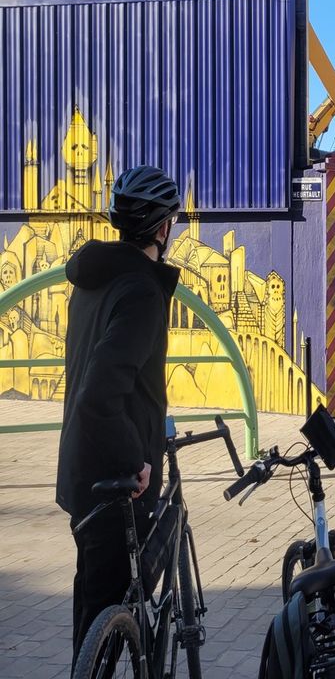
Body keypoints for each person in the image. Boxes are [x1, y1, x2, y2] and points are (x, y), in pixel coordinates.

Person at [56, 165, 181, 667]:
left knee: (92, 613)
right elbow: (100, 393)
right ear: (163, 228)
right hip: (118, 480)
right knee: (107, 625)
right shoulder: (142, 292)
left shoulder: (93, 281)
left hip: (81, 469)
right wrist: (136, 460)